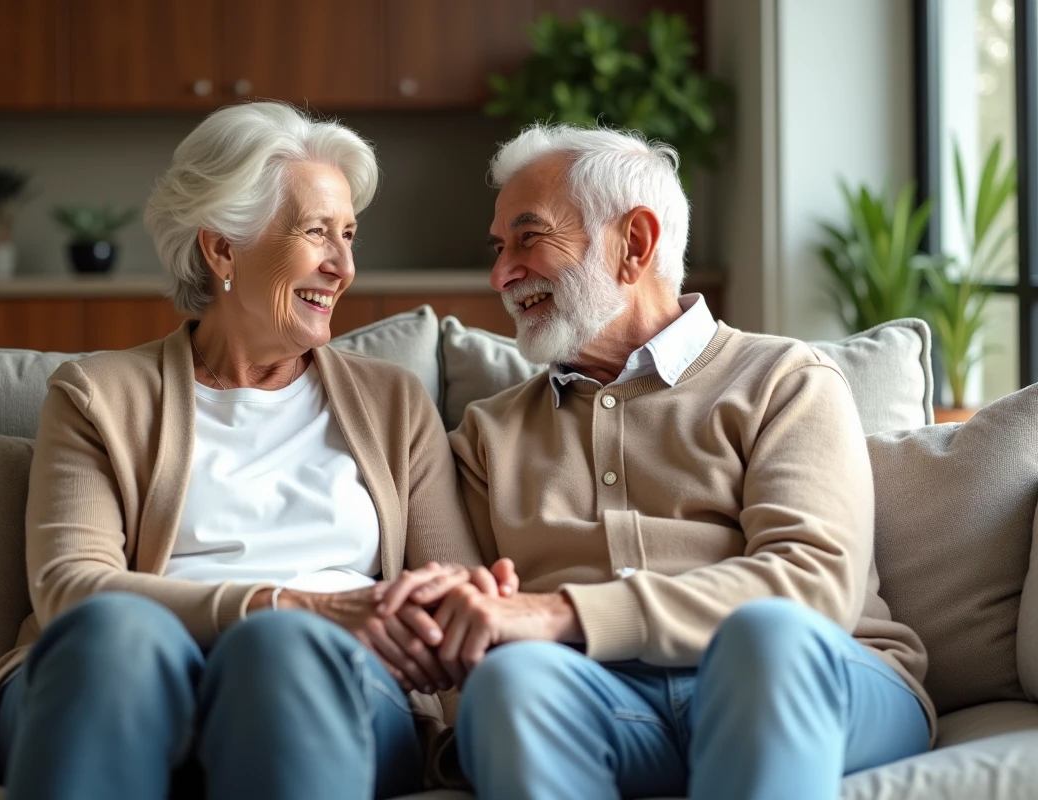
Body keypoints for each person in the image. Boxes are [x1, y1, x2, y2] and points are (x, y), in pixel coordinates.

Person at [0, 102, 508, 800]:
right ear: (222, 249)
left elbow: (449, 590)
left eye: (349, 235)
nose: (343, 266)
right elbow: (72, 589)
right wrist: (284, 603)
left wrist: (335, 625)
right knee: (114, 633)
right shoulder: (98, 395)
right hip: (131, 675)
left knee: (280, 653)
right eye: (317, 234)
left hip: (338, 681)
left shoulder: (393, 404)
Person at [378, 124, 934, 800]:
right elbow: (473, 626)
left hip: (818, 681)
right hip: (611, 704)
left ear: (633, 244)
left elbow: (814, 588)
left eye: (529, 239)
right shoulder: (489, 435)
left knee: (766, 637)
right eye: (499, 249)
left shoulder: (784, 381)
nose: (501, 274)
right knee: (512, 679)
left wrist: (564, 613)